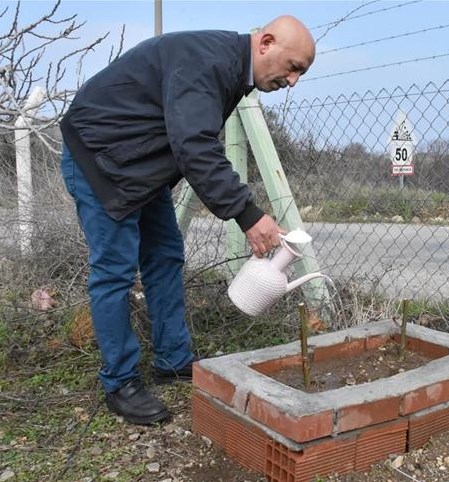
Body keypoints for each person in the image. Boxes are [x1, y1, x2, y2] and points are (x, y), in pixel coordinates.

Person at [59, 16, 316, 425]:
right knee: (115, 271)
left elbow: (186, 139)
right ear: (265, 43)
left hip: (140, 166)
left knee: (165, 257)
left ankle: (173, 361)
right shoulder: (209, 62)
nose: (293, 81)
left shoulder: (230, 69)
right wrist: (248, 215)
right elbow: (194, 144)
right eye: (294, 67)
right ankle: (120, 382)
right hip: (100, 158)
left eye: (301, 73)